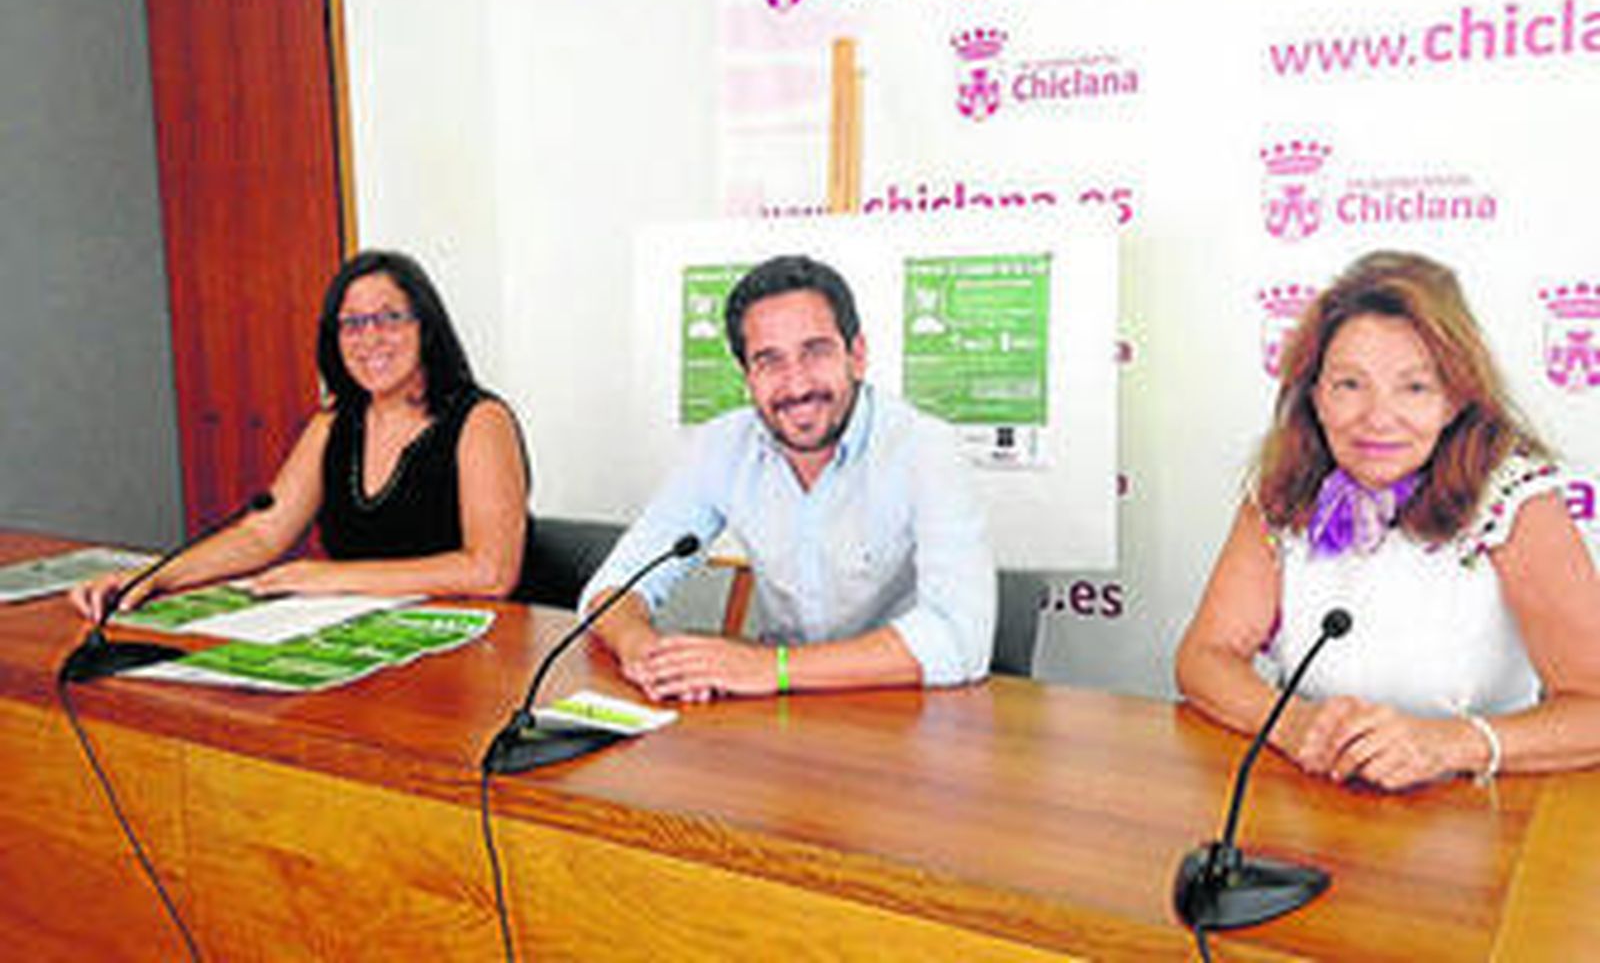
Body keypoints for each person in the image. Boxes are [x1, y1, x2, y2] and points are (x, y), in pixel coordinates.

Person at [1176, 250, 1600, 791]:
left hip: (1477, 811)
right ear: (1315, 397)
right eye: (1349, 385)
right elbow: (1204, 658)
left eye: (1415, 387)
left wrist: (1449, 744)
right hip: (1314, 793)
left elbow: (1593, 707)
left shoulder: (1515, 500)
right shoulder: (1285, 487)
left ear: (1455, 400)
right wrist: (1293, 725)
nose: (1377, 417)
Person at [582, 254, 996, 702]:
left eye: (815, 352)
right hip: (778, 712)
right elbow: (613, 587)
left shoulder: (925, 448)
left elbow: (961, 640)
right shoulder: (722, 446)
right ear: (747, 377)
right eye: (769, 361)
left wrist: (772, 667)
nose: (796, 385)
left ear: (856, 356)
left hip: (901, 708)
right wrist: (645, 653)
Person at [71, 250, 537, 618]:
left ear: (426, 328)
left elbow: (490, 572)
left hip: (473, 650)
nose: (369, 338)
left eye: (389, 317)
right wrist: (154, 576)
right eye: (352, 323)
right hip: (363, 637)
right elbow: (263, 534)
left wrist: (332, 577)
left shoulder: (480, 421)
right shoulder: (332, 425)